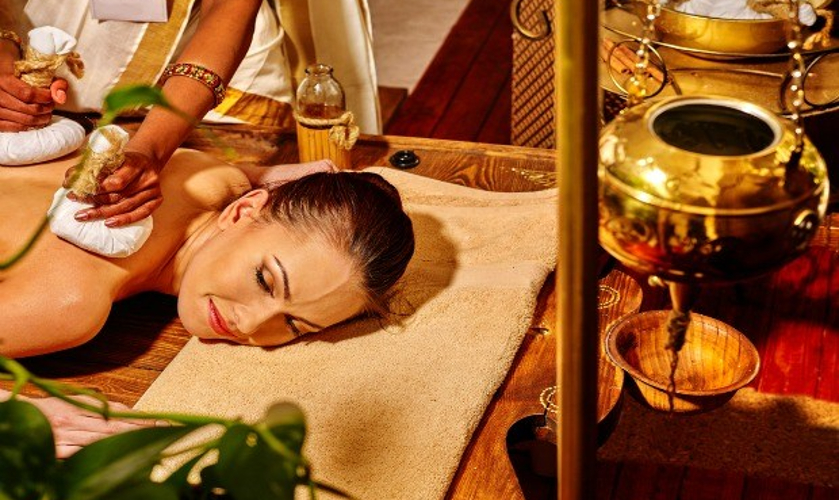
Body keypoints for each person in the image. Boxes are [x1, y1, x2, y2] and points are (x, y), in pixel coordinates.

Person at [0, 149, 415, 358]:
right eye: (265, 280)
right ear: (241, 212)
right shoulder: (69, 305)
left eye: (294, 325)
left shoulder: (211, 174)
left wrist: (265, 177)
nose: (249, 324)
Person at [0, 0, 380, 226]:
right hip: (32, 27)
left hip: (202, 60)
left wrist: (151, 150)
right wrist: (4, 57)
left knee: (203, 208)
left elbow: (227, 8)